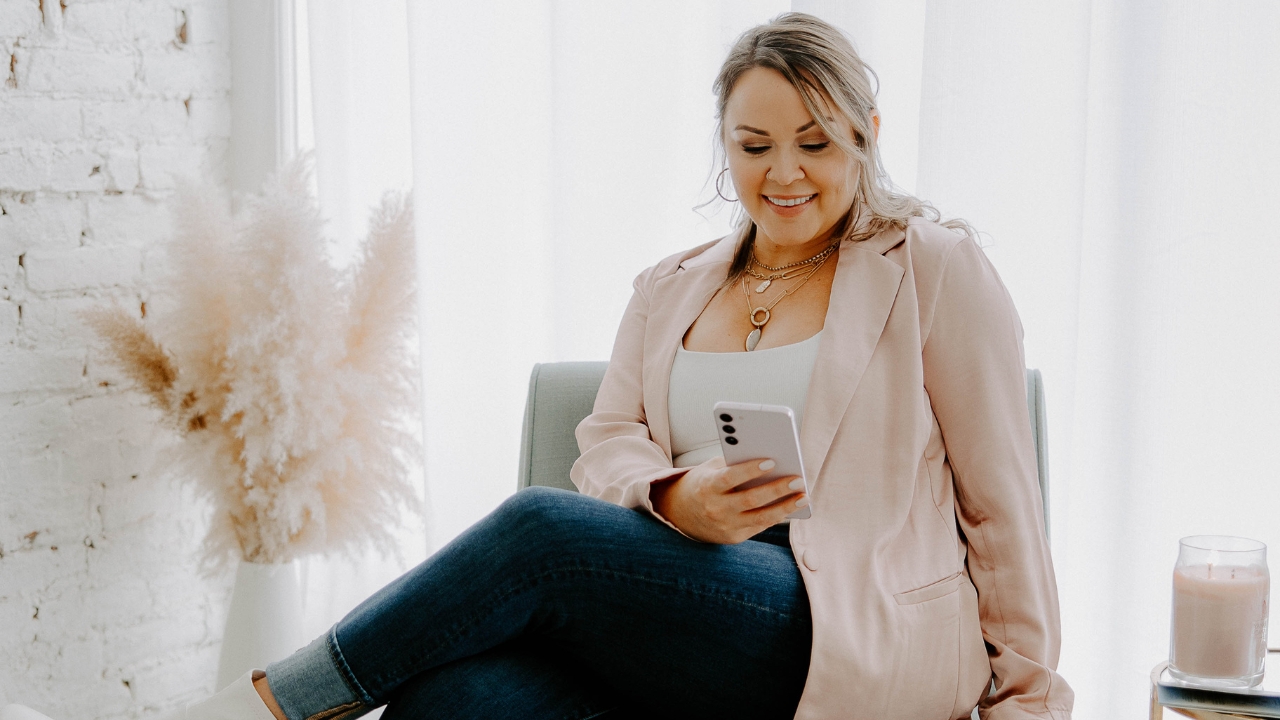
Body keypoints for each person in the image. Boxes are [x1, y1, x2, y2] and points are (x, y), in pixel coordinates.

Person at [2, 12, 1072, 720]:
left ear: (865, 137)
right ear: (723, 146)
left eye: (815, 142)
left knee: (535, 528)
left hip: (845, 633)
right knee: (448, 700)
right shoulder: (671, 285)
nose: (783, 173)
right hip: (680, 614)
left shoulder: (929, 267)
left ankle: (274, 706)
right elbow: (606, 438)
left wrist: (1025, 706)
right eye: (752, 147)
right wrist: (672, 494)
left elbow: (999, 506)